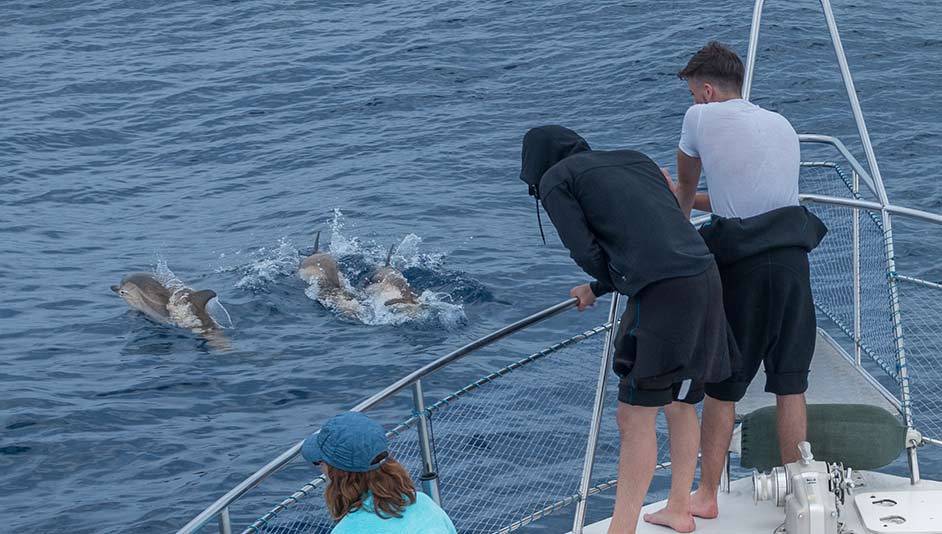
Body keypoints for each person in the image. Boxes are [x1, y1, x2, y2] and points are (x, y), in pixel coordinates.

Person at [519, 125, 735, 534]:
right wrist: (600, 287)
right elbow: (656, 229)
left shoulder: (555, 180)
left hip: (661, 291)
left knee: (633, 415)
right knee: (681, 401)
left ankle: (621, 529)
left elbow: (583, 248)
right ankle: (677, 508)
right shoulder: (634, 159)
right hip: (704, 274)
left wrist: (609, 280)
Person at [668, 41, 827, 521]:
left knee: (723, 384)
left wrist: (674, 214)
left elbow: (689, 189)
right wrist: (694, 200)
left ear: (709, 90)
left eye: (696, 93)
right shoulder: (781, 124)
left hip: (746, 271)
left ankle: (707, 494)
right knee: (790, 383)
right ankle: (802, 495)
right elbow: (744, 199)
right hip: (794, 262)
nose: (695, 102)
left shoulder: (700, 119)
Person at [301, 412, 457, 534]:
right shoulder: (424, 503)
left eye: (320, 463)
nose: (322, 469)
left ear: (338, 475)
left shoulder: (347, 530)